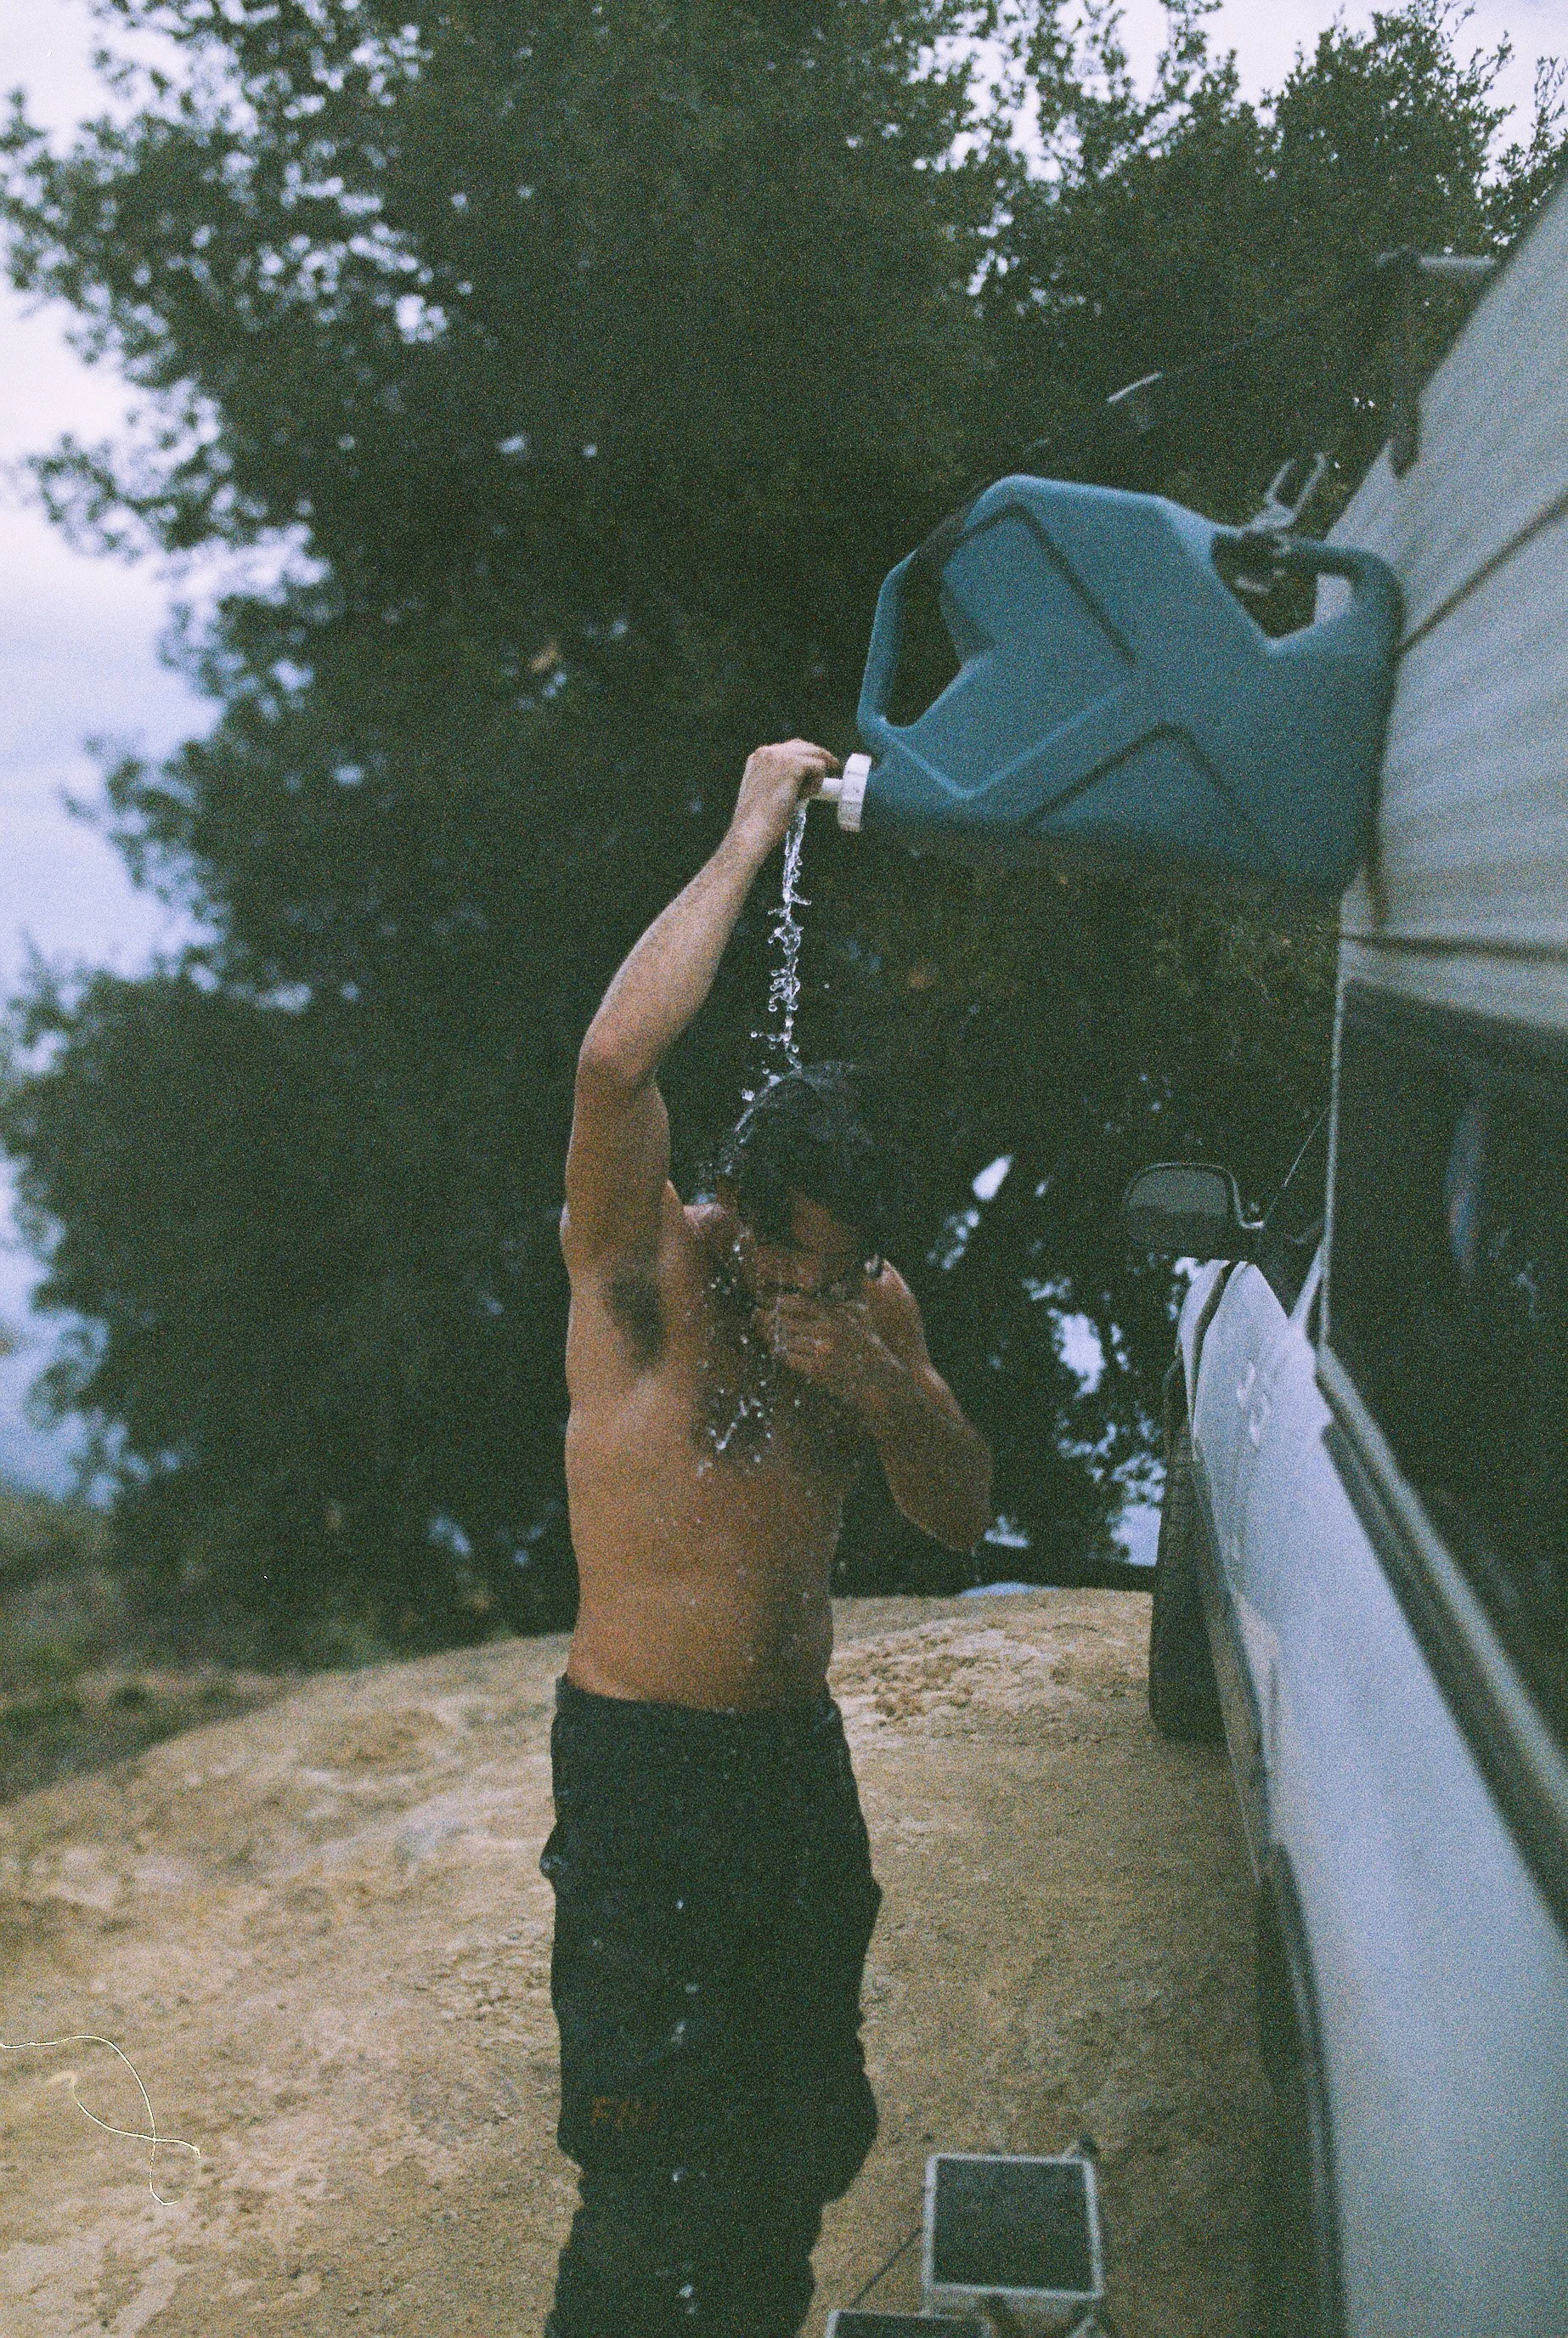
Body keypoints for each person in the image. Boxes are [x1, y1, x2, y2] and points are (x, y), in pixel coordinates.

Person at [541, 737, 993, 2338]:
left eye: (843, 1266)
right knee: (655, 2167)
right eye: (792, 1263)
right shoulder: (644, 1281)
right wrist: (747, 832)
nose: (811, 1292)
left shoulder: (867, 1309)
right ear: (740, 1206)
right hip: (645, 1776)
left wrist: (880, 1386)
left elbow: (957, 1512)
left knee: (803, 2134)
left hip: (793, 1768)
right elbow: (612, 1070)